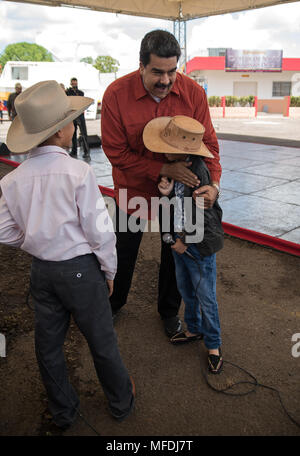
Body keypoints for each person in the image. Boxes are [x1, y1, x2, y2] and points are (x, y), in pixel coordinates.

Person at [0, 80, 135, 429]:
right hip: (80, 272)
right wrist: (109, 271)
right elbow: (99, 231)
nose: (75, 125)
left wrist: (33, 239)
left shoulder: (13, 180)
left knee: (48, 346)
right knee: (101, 341)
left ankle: (63, 410)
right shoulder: (78, 172)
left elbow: (3, 230)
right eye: (72, 120)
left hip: (42, 272)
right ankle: (121, 402)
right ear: (61, 132)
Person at [101, 29, 222, 338]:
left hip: (181, 194)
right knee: (124, 248)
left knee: (176, 253)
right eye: (157, 72)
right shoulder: (116, 94)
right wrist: (163, 168)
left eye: (172, 71)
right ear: (141, 65)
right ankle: (113, 304)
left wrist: (215, 185)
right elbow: (116, 153)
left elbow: (209, 145)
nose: (166, 80)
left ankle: (169, 312)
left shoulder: (193, 93)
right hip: (133, 188)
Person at [143, 115, 224, 373]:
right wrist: (165, 193)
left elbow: (202, 216)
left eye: (165, 148)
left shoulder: (198, 171)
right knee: (186, 290)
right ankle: (193, 329)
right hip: (181, 241)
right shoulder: (179, 169)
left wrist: (183, 242)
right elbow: (177, 206)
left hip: (195, 246)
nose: (161, 152)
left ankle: (213, 345)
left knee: (205, 296)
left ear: (179, 151)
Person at [66, 78, 90, 161]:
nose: (74, 85)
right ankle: (74, 151)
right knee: (73, 134)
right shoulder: (68, 92)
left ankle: (87, 152)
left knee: (83, 134)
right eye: (73, 83)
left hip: (80, 115)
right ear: (70, 83)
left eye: (75, 83)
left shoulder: (81, 93)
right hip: (72, 115)